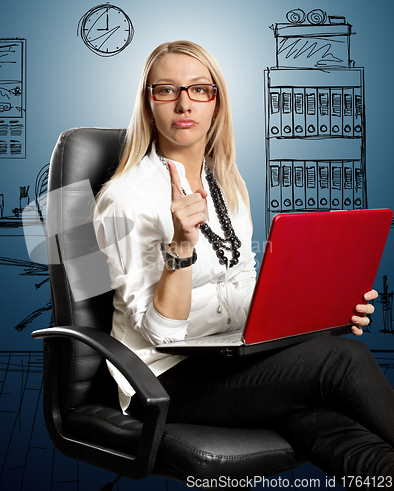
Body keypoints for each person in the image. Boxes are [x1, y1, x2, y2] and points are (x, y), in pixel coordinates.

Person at [94, 40, 394, 482]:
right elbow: (159, 334)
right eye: (167, 90)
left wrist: (323, 306)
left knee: (333, 430)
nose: (184, 103)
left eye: (200, 89)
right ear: (149, 103)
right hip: (160, 378)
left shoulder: (227, 183)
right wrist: (180, 247)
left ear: (217, 104)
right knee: (341, 362)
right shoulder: (123, 198)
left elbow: (245, 283)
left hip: (231, 352)